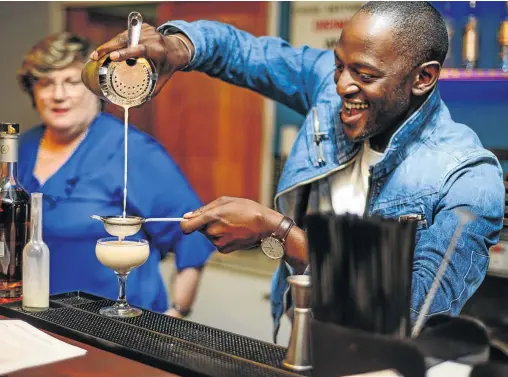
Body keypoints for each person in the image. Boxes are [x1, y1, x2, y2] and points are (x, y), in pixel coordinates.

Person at [91, 1, 505, 341]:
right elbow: (241, 51)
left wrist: (280, 232)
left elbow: (416, 308)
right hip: (303, 336)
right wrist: (178, 47)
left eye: (364, 74)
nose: (341, 85)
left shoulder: (468, 178)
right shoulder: (329, 87)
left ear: (424, 78)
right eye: (339, 64)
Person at [17, 32, 215, 318]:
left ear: (95, 88)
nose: (58, 95)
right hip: (37, 319)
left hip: (119, 328)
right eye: (46, 83)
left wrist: (176, 313)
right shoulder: (21, 149)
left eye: (72, 82)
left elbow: (192, 233)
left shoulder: (132, 150)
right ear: (33, 91)